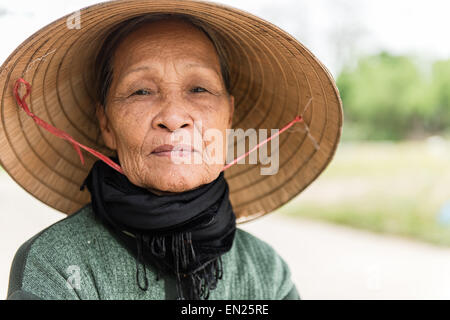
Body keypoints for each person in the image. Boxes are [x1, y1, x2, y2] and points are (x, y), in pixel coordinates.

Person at [0, 0, 343, 300]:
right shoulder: (57, 264)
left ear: (229, 115)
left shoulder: (265, 271)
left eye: (198, 88)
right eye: (141, 92)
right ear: (106, 124)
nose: (174, 117)